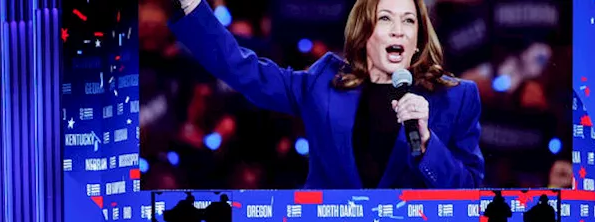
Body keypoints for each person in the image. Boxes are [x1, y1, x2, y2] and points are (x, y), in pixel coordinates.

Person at [168, 0, 484, 189]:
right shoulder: (321, 85)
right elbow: (242, 70)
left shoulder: (456, 98)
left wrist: (428, 143)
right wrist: (191, 6)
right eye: (385, 18)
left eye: (409, 20)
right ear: (364, 33)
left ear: (418, 39)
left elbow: (470, 193)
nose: (398, 30)